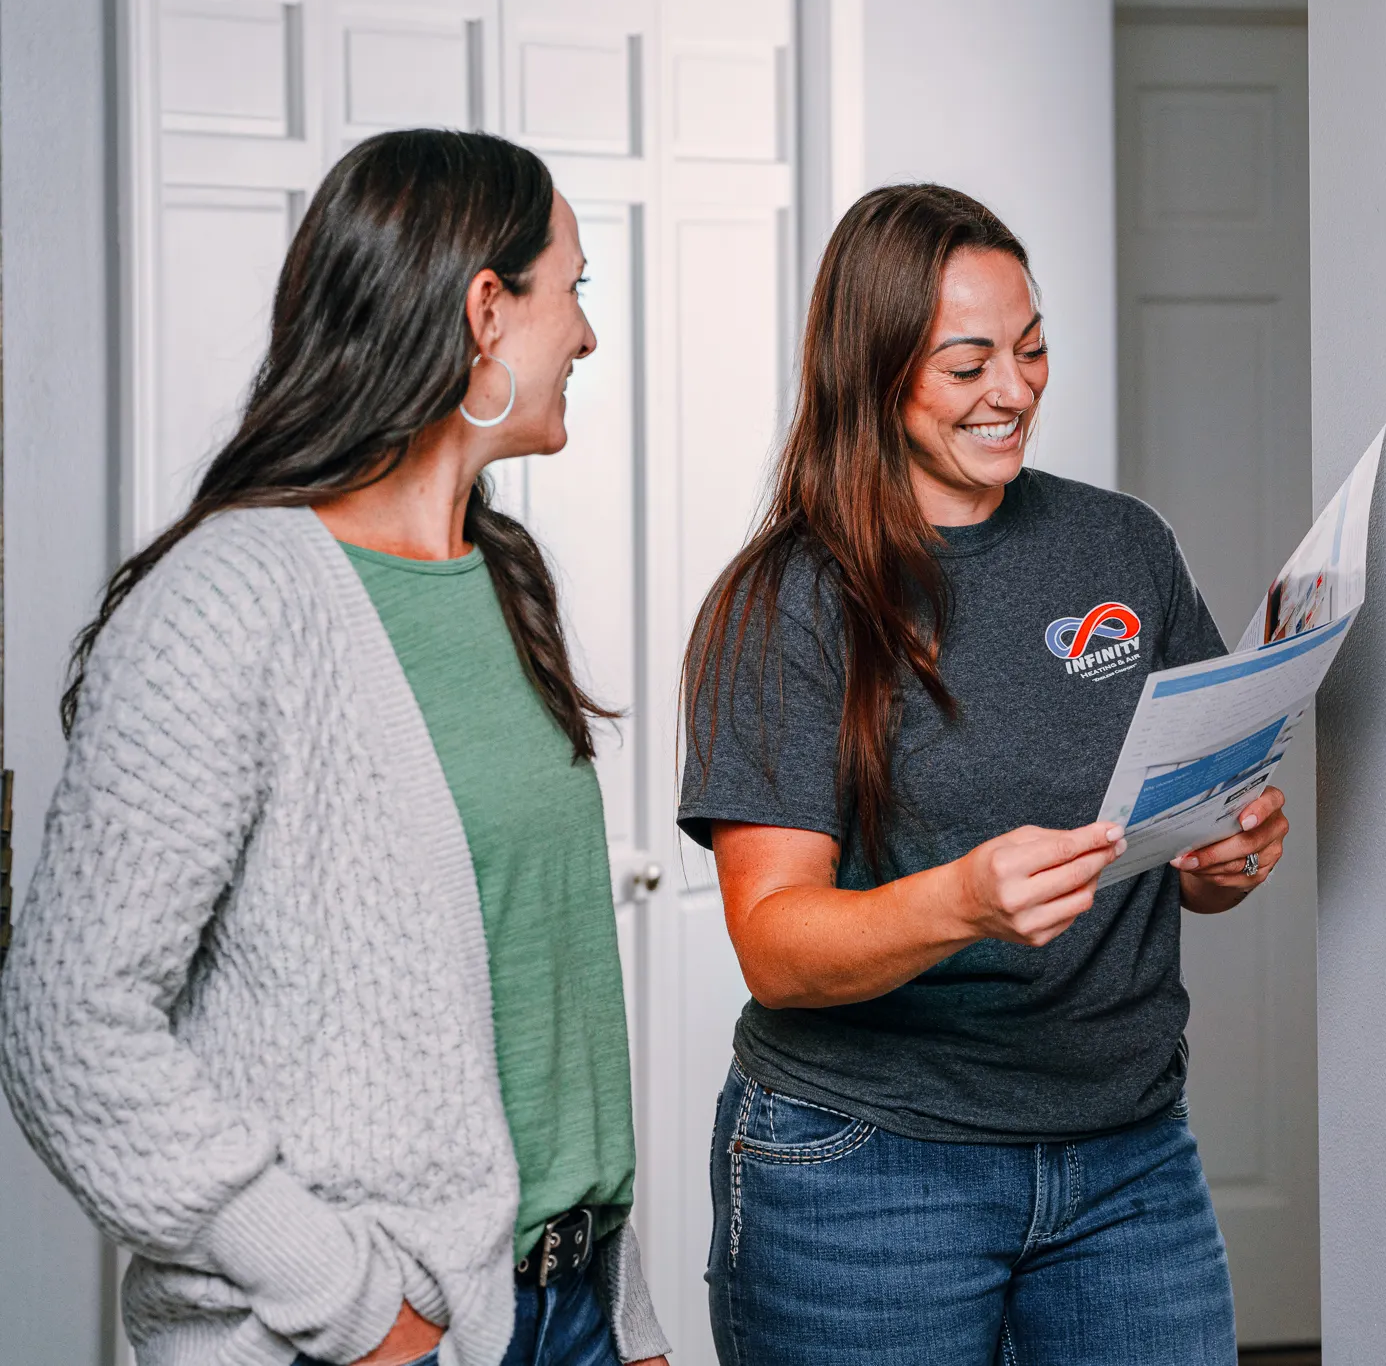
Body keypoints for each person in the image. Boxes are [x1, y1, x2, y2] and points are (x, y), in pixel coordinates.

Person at [0, 129, 670, 1366]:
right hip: (363, 1331)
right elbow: (64, 1024)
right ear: (486, 310)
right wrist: (358, 1307)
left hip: (566, 1307)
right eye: (571, 288)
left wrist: (623, 1319)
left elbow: (540, 999)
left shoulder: (501, 580)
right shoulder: (228, 603)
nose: (585, 333)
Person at [679, 183, 1290, 1366]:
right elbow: (776, 941)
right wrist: (962, 901)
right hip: (865, 1170)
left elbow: (1192, 843)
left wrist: (1231, 850)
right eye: (967, 366)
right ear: (876, 371)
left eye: (1031, 349)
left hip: (1127, 1157)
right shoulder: (785, 601)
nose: (1013, 390)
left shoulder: (1121, 545)